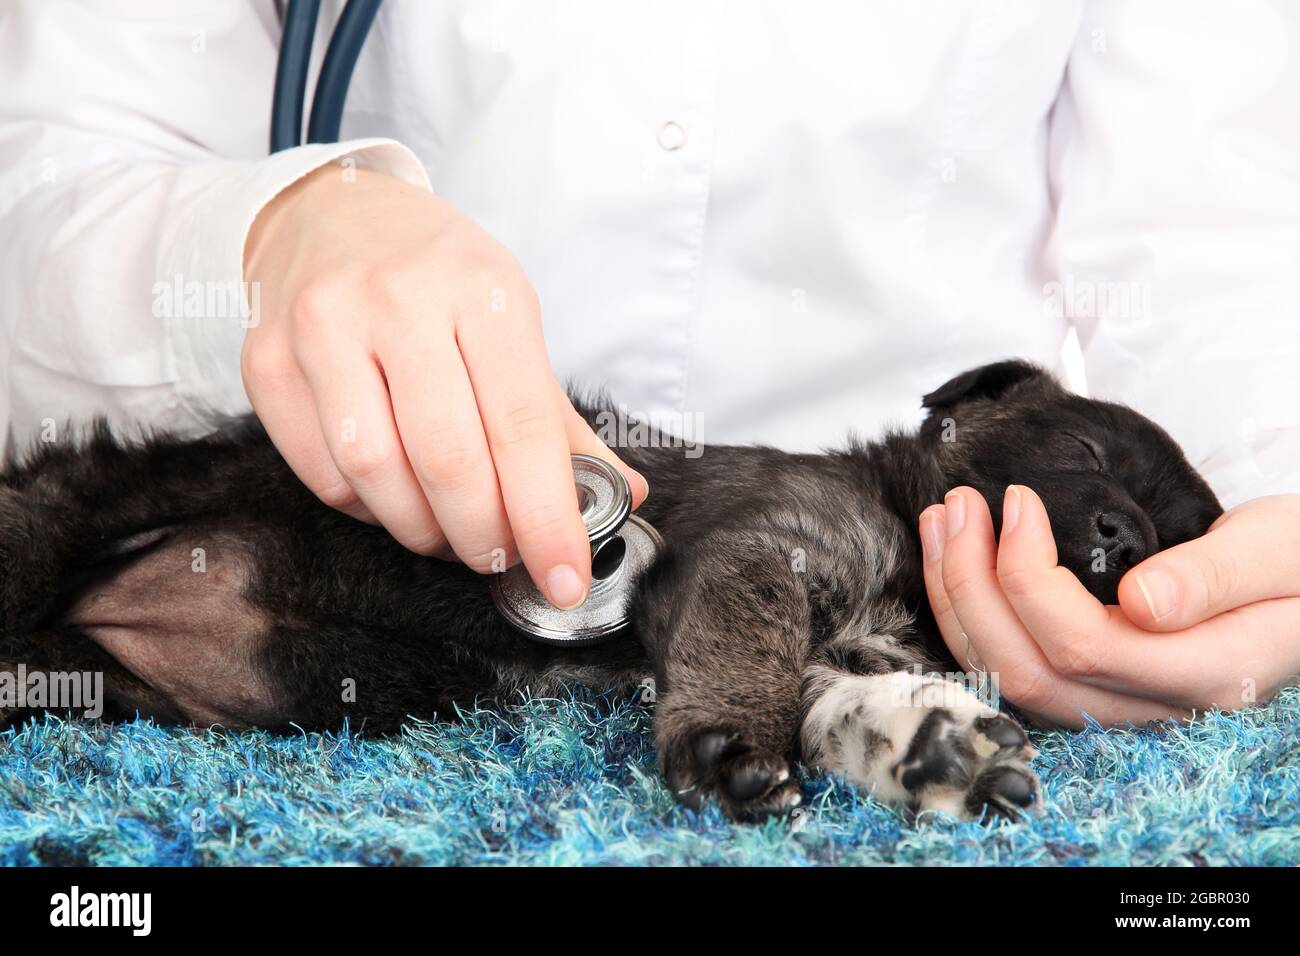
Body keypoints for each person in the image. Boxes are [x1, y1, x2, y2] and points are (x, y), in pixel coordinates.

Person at [1, 1, 1296, 727]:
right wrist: (278, 233)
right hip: (287, 527)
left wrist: (1246, 556)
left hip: (924, 629)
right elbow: (54, 180)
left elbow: (1213, 254)